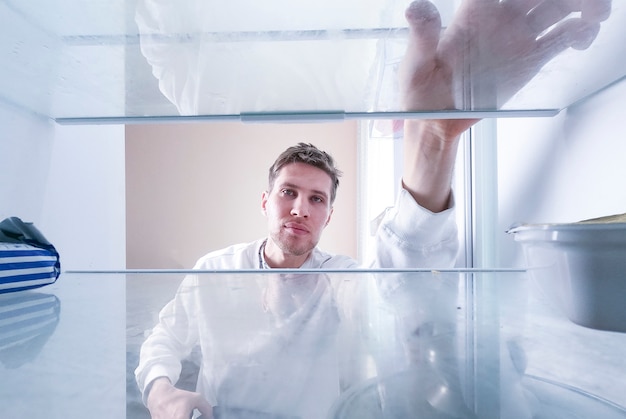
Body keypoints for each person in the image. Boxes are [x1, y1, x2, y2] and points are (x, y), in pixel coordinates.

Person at [135, 1, 612, 418]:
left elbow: (399, 286)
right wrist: (161, 393)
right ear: (265, 201)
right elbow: (162, 342)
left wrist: (434, 138)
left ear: (329, 215)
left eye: (317, 199)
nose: (300, 207)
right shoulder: (213, 271)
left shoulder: (341, 280)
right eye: (288, 192)